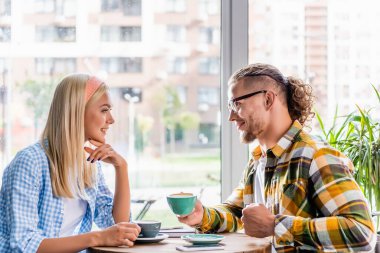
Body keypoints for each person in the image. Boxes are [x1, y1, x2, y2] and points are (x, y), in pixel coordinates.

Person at [178, 63, 376, 252]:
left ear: (268, 100)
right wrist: (202, 215)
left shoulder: (315, 156)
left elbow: (362, 232)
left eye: (236, 103)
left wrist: (275, 225)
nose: (231, 116)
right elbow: (236, 212)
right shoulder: (258, 162)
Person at [0, 73, 141, 252]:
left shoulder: (89, 162)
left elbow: (116, 225)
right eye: (104, 110)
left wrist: (121, 167)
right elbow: (24, 244)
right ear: (76, 111)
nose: (111, 119)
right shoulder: (30, 163)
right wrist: (97, 237)